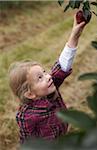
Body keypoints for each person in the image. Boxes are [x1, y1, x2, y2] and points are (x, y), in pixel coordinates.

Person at [8, 15, 86, 143]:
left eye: (44, 72)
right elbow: (27, 142)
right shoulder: (27, 117)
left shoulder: (48, 86)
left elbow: (62, 66)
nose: (48, 76)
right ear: (30, 93)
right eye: (40, 78)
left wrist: (74, 35)